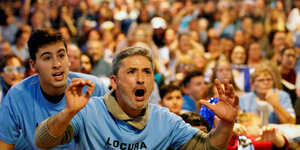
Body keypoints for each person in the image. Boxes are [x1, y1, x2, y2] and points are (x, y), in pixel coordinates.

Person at [34, 46, 239, 149]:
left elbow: (207, 147)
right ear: (114, 81)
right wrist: (68, 112)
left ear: (153, 81)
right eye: (131, 72)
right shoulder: (89, 111)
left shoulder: (165, 119)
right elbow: (41, 141)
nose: (141, 79)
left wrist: (227, 123)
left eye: (147, 72)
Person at [0, 28, 109, 149]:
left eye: (61, 55)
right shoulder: (17, 95)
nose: (57, 64)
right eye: (47, 58)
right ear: (33, 65)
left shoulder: (94, 88)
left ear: (68, 59)